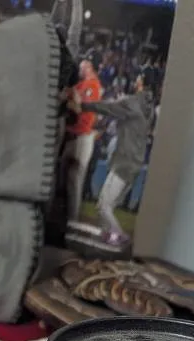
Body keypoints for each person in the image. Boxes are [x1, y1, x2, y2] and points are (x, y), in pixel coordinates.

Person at [73, 72, 155, 247]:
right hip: (135, 165)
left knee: (103, 206)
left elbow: (108, 108)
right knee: (106, 206)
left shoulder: (133, 103)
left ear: (142, 83)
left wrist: (84, 105)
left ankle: (120, 236)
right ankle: (107, 238)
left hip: (124, 162)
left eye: (139, 78)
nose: (136, 80)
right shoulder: (150, 108)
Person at [61, 58, 102, 222]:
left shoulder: (93, 85)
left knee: (75, 182)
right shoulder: (82, 84)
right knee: (64, 179)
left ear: (89, 68)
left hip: (82, 138)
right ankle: (65, 217)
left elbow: (80, 108)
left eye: (83, 68)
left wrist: (71, 100)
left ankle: (73, 219)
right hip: (72, 137)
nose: (80, 70)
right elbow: (69, 94)